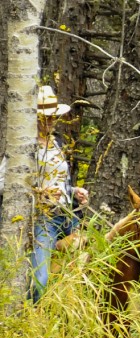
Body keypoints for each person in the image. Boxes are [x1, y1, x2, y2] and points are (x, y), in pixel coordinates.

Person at [0, 85, 90, 302]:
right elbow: (3, 183)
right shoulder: (23, 146)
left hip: (68, 214)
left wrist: (74, 190)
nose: (51, 122)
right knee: (40, 280)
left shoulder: (56, 142)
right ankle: (29, 315)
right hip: (43, 218)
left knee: (92, 260)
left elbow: (57, 179)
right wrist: (38, 194)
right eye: (46, 117)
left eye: (53, 117)